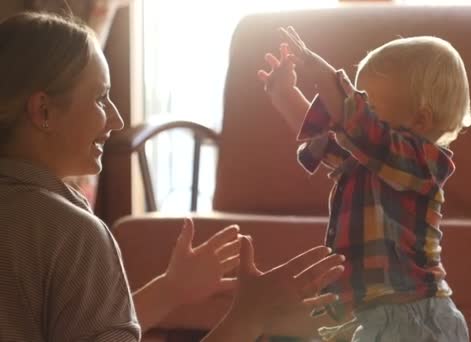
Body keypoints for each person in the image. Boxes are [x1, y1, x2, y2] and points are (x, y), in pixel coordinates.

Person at [0, 12, 344, 341]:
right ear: (43, 110)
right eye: (101, 98)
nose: (117, 120)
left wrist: (169, 291)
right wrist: (248, 318)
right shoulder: (72, 234)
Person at [258, 26, 471, 341]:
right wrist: (284, 93)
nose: (354, 113)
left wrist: (319, 70)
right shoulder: (366, 156)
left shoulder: (420, 162)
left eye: (367, 104)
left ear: (421, 121)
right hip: (372, 315)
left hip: (413, 318)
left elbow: (356, 122)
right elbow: (326, 136)